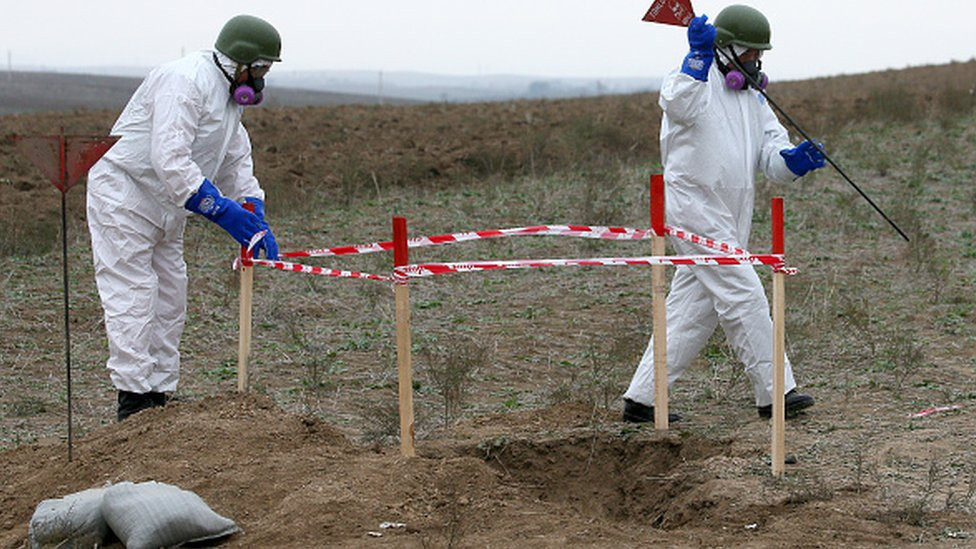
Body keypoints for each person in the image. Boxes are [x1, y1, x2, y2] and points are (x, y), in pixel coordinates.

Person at [622, 5, 825, 423]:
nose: (755, 60)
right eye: (748, 51)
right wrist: (695, 60)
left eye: (759, 53)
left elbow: (771, 155)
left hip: (732, 213)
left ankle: (643, 400)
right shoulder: (691, 82)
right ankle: (776, 393)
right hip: (693, 208)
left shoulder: (753, 97)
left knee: (692, 309)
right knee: (743, 292)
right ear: (725, 48)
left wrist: (792, 160)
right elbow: (678, 105)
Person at [86, 14, 282, 421]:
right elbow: (170, 159)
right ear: (242, 62)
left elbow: (235, 160)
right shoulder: (184, 81)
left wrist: (253, 210)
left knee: (171, 296)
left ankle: (159, 394)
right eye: (261, 70)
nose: (262, 81)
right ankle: (134, 400)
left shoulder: (229, 100)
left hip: (168, 205)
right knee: (133, 293)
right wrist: (222, 211)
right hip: (125, 194)